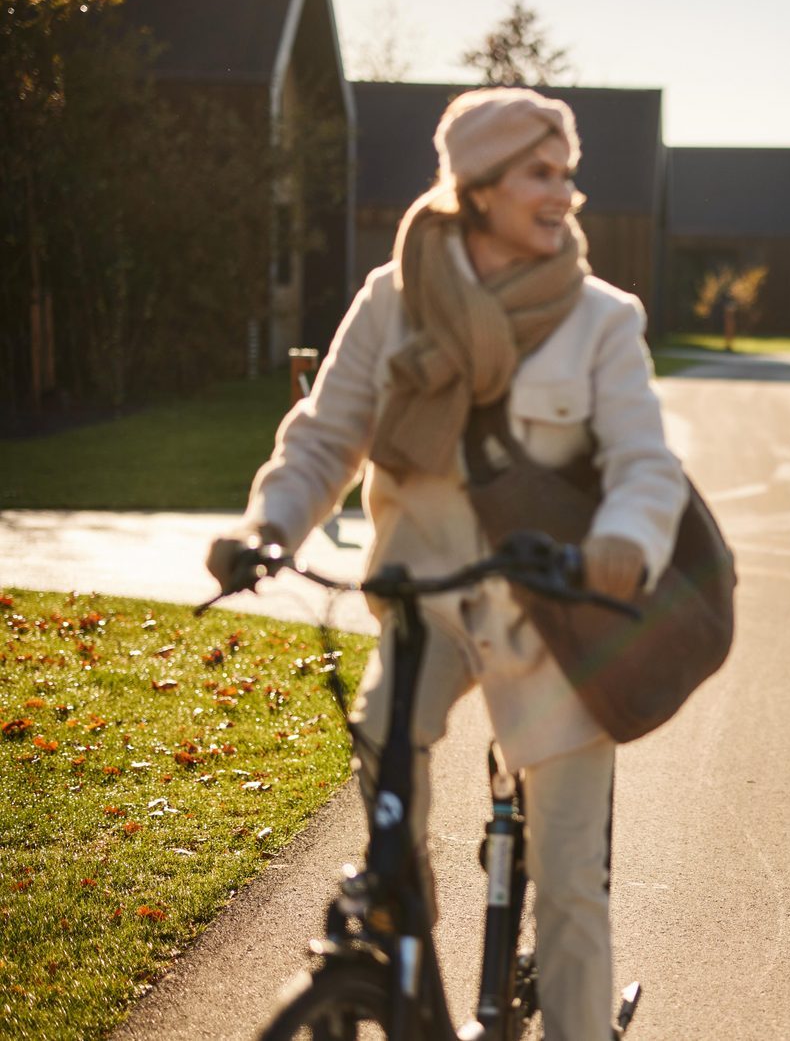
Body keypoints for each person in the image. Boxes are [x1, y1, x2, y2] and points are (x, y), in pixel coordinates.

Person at [206, 87, 688, 1040]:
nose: (566, 195)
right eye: (539, 175)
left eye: (569, 174)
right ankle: (400, 942)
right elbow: (323, 438)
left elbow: (644, 463)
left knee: (570, 893)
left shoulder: (601, 318)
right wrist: (269, 526)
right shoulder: (392, 299)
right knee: (386, 749)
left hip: (552, 616)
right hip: (423, 606)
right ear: (475, 189)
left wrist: (625, 546)